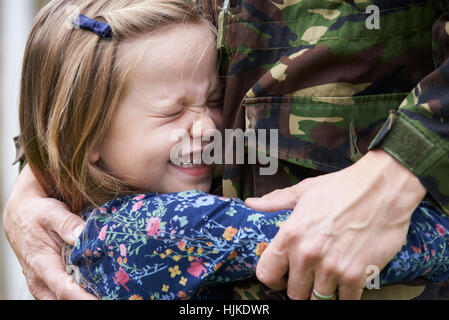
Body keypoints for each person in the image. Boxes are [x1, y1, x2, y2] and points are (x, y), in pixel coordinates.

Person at [3, 0, 449, 300]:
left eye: (214, 101)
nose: (210, 126)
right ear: (89, 134)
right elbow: (379, 248)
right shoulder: (160, 229)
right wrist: (33, 182)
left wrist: (400, 167)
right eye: (171, 112)